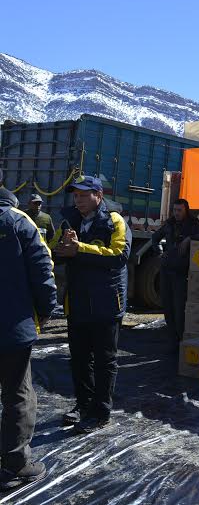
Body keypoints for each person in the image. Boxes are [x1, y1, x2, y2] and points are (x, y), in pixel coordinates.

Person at [50, 176, 132, 434]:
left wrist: (80, 249)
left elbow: (119, 255)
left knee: (105, 361)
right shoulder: (69, 222)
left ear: (99, 195)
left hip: (106, 303)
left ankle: (100, 412)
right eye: (76, 195)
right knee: (79, 359)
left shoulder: (114, 221)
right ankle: (83, 405)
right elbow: (53, 251)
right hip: (77, 303)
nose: (79, 200)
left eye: (84, 195)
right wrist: (62, 248)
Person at [0, 186, 57, 489]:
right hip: (11, 327)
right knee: (18, 394)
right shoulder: (18, 221)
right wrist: (46, 310)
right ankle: (16, 465)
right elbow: (42, 268)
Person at [152, 199, 199, 343]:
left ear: (186, 210)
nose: (177, 213)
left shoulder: (193, 225)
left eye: (179, 210)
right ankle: (172, 339)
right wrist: (159, 252)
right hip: (166, 270)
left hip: (180, 273)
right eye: (175, 210)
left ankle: (180, 340)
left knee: (179, 309)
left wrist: (190, 239)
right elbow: (155, 238)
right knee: (167, 307)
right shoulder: (169, 224)